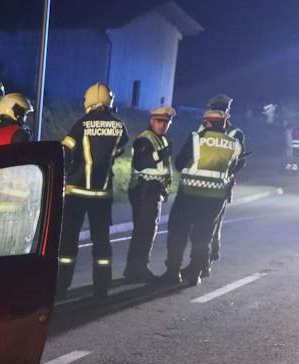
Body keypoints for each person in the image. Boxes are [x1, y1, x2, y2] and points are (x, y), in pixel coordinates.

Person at [57, 83, 129, 299]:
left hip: (76, 192)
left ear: (88, 100)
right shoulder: (119, 126)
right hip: (102, 195)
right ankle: (102, 287)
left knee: (68, 242)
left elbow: (65, 149)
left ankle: (61, 286)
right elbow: (119, 149)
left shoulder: (81, 124)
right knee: (101, 242)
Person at [164, 98, 243, 287]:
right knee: (203, 235)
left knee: (178, 232)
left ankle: (173, 272)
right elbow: (237, 165)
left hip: (189, 194)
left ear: (207, 121)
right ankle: (195, 274)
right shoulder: (234, 142)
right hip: (215, 197)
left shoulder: (197, 138)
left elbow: (180, 163)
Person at [124, 105, 175, 282]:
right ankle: (138, 268)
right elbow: (141, 162)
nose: (163, 125)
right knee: (145, 231)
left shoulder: (161, 139)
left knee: (144, 231)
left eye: (166, 122)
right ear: (152, 120)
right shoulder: (144, 139)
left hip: (152, 191)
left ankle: (133, 268)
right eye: (160, 121)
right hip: (144, 191)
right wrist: (161, 154)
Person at [209, 95, 250, 264]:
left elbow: (241, 161)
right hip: (199, 184)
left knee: (213, 223)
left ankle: (208, 258)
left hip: (220, 186)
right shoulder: (205, 129)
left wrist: (227, 174)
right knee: (205, 225)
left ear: (227, 112)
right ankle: (205, 258)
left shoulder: (234, 133)